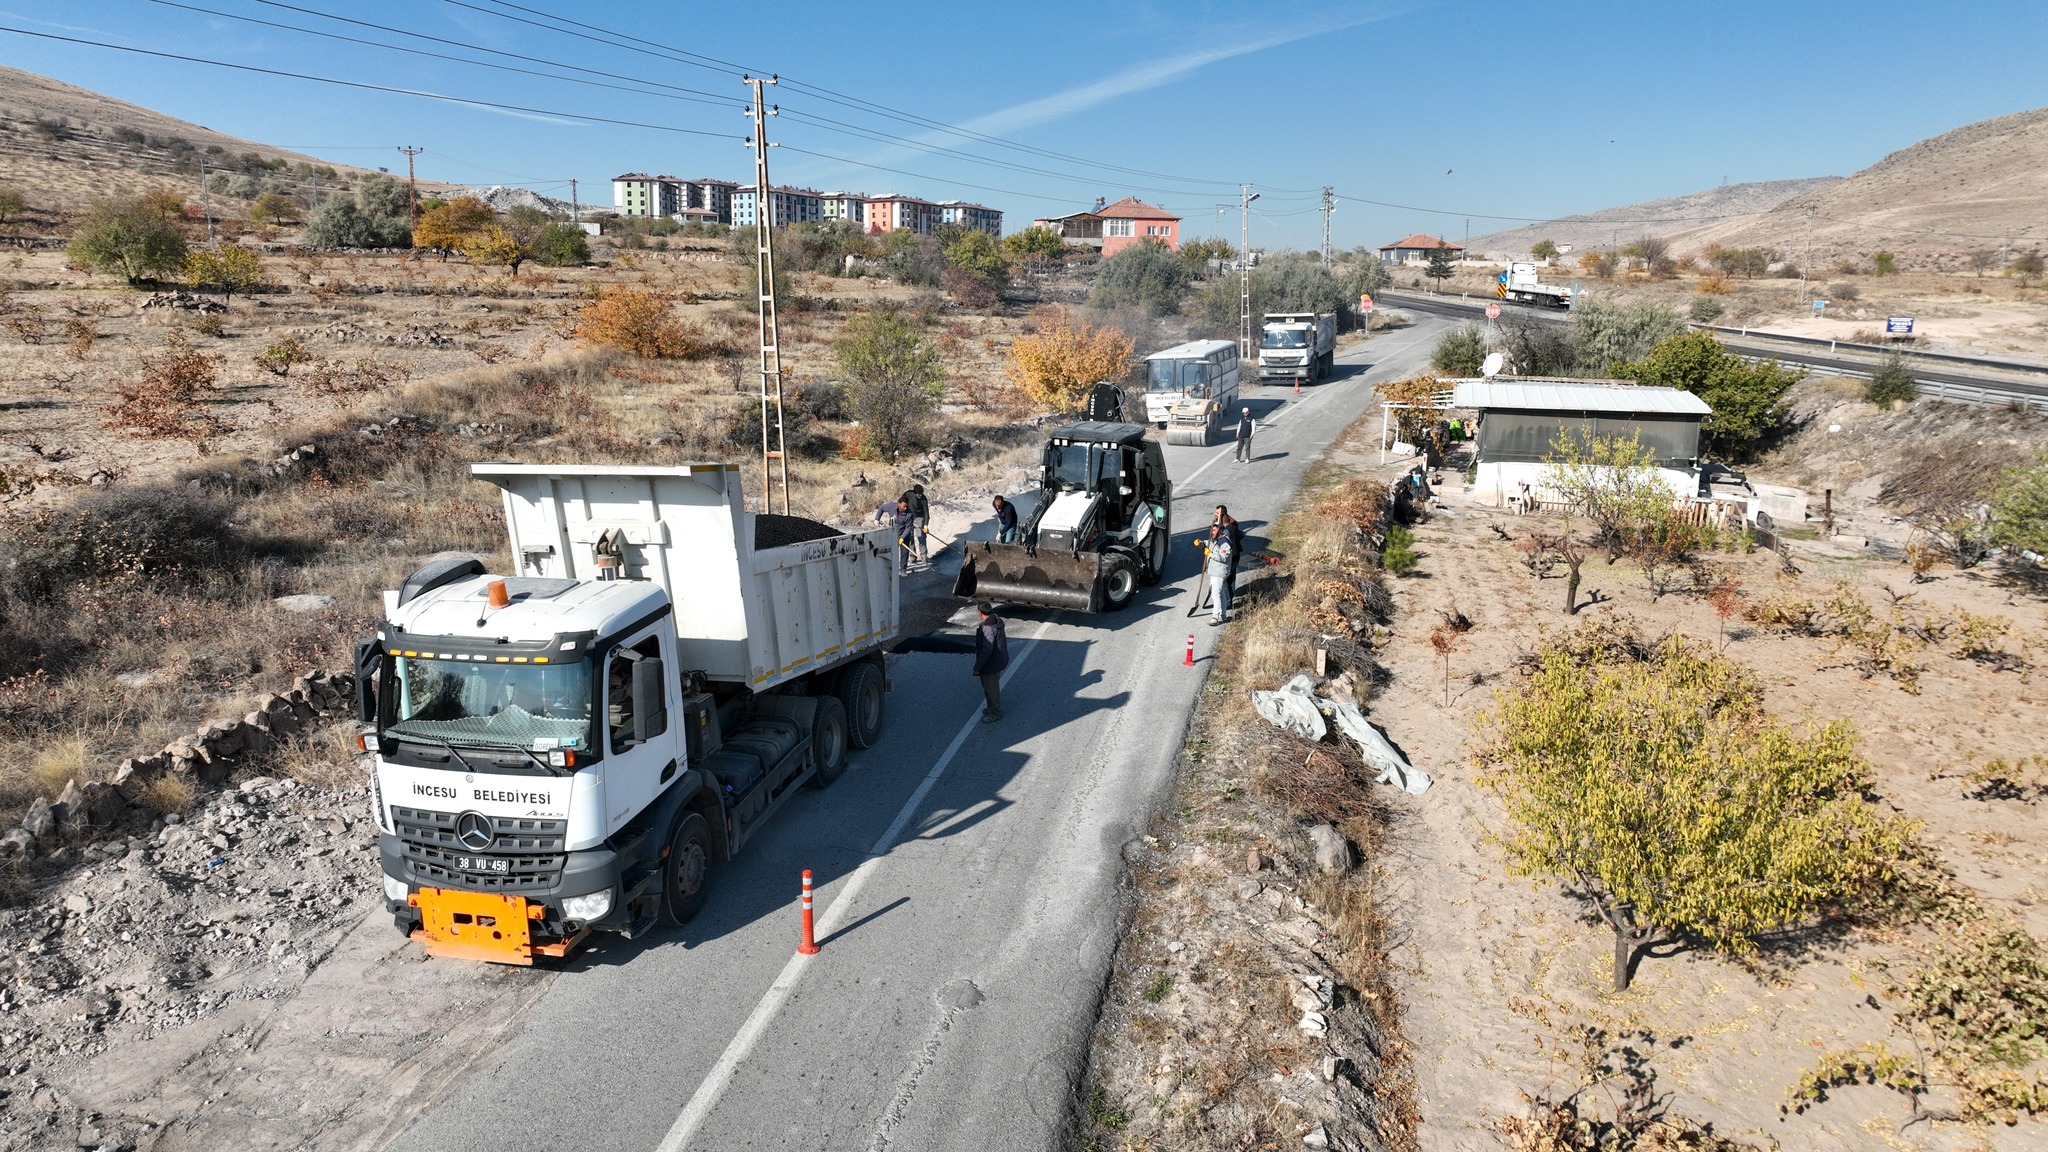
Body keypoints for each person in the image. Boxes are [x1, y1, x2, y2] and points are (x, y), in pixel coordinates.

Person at [971, 599, 1009, 722]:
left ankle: (995, 712)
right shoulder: (996, 620)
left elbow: (986, 650)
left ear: (980, 613)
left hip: (991, 664)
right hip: (998, 660)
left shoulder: (988, 628)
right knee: (989, 687)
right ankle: (990, 708)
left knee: (991, 688)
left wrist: (977, 667)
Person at [1212, 505, 1245, 608]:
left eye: (1217, 513)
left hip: (1231, 556)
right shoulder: (1231, 525)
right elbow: (1242, 535)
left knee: (1225, 577)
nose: (1215, 514)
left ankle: (1227, 601)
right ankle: (1231, 595)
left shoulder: (1227, 528)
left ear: (1222, 515)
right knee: (1231, 576)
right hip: (1235, 554)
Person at [1206, 522, 1237, 625]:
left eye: (1214, 530)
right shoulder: (1216, 540)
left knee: (1215, 594)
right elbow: (1209, 544)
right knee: (1221, 593)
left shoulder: (1225, 543)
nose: (1212, 532)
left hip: (1219, 572)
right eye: (1211, 530)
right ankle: (1223, 614)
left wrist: (1210, 554)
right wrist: (1201, 544)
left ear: (1220, 530)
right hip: (1215, 571)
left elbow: (1224, 558)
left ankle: (1215, 617)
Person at [900, 483, 930, 567]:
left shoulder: (923, 499)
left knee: (921, 537)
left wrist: (925, 525)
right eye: (918, 494)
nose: (919, 495)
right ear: (914, 493)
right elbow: (901, 502)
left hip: (919, 518)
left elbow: (926, 513)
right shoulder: (908, 494)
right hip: (909, 517)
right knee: (910, 538)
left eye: (921, 494)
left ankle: (924, 556)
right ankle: (913, 557)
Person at [891, 498, 918, 575]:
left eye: (907, 506)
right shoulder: (892, 507)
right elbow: (882, 508)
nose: (905, 508)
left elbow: (909, 527)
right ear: (899, 503)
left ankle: (903, 570)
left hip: (904, 534)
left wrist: (902, 537)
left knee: (904, 553)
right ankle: (892, 570)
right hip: (892, 534)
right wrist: (877, 519)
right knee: (891, 553)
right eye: (904, 506)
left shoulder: (909, 514)